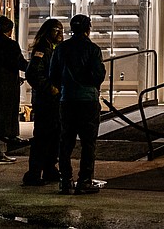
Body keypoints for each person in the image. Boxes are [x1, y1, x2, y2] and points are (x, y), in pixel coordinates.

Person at [50, 14, 106, 195]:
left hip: (67, 100)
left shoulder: (61, 49)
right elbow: (98, 75)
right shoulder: (93, 49)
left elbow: (53, 75)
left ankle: (65, 181)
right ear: (88, 28)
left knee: (66, 141)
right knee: (88, 143)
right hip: (88, 100)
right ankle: (85, 180)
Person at [22, 19, 64, 185]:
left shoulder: (55, 48)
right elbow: (33, 73)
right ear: (48, 32)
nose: (60, 34)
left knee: (55, 136)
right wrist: (49, 88)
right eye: (56, 30)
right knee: (42, 137)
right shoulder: (42, 49)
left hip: (55, 101)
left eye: (61, 30)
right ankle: (34, 173)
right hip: (46, 101)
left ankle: (49, 169)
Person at [0, 16, 28, 165]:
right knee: (3, 118)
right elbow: (19, 63)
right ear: (9, 30)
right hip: (6, 86)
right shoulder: (10, 45)